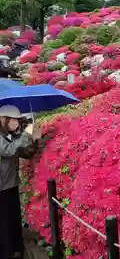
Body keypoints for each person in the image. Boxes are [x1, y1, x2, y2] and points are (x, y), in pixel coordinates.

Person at [0, 105, 41, 259]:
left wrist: (34, 141)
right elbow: (9, 150)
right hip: (2, 189)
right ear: (3, 119)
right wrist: (25, 134)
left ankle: (15, 250)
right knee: (4, 224)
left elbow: (25, 153)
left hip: (10, 186)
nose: (16, 123)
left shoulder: (9, 136)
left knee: (13, 220)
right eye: (14, 120)